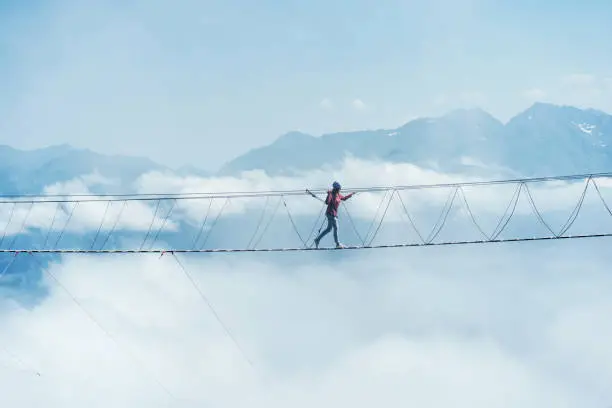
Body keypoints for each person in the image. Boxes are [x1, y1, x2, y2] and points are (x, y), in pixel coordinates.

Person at [308, 181, 355, 249]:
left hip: (333, 214)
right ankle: (337, 244)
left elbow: (344, 198)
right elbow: (327, 202)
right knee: (336, 227)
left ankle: (317, 239)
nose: (339, 190)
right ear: (336, 188)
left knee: (329, 229)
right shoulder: (331, 194)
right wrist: (329, 194)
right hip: (330, 214)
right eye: (339, 189)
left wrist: (351, 194)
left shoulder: (338, 195)